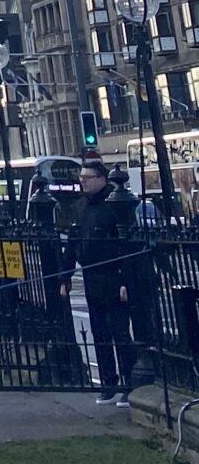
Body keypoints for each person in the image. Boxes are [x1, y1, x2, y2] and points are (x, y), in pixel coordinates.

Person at [65, 159, 143, 405]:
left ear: (102, 179)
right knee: (99, 333)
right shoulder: (81, 206)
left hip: (113, 276)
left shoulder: (114, 205)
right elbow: (73, 242)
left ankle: (129, 384)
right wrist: (64, 276)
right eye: (81, 177)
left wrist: (124, 280)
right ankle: (108, 384)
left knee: (120, 332)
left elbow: (126, 245)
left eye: (87, 177)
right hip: (91, 276)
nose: (83, 181)